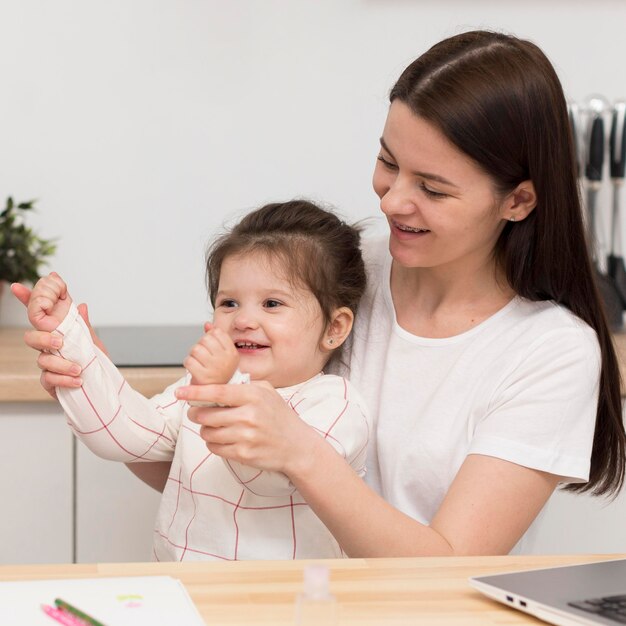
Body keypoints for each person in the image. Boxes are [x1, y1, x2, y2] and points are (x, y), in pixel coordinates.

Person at [15, 30, 626, 556]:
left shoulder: (551, 352)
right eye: (388, 162)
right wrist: (92, 381)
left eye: (432, 189)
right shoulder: (337, 273)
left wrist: (300, 453)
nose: (390, 201)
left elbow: (448, 565)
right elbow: (217, 473)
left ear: (518, 200)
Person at [14, 200, 370, 561]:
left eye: (272, 304)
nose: (243, 320)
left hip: (282, 606)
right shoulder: (199, 387)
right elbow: (126, 435)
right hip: (186, 593)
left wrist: (222, 386)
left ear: (335, 328)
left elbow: (264, 479)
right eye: (229, 303)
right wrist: (72, 343)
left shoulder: (333, 404)